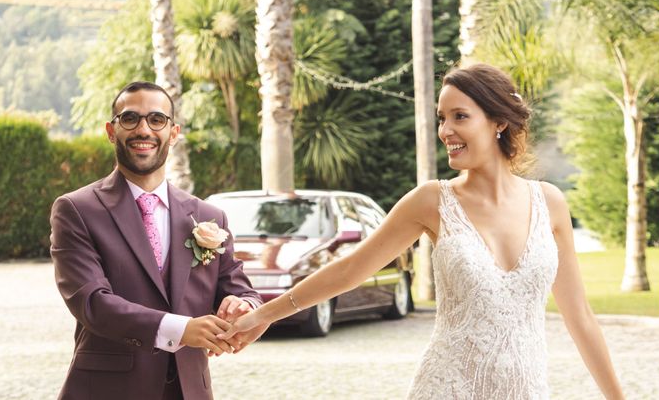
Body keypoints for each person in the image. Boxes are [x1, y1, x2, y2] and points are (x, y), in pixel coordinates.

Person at [221, 64, 625, 399]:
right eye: (441, 119)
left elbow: (580, 318)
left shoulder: (550, 203)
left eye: (459, 116)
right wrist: (266, 315)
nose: (446, 131)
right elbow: (352, 269)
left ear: (499, 121)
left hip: (527, 389)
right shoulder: (432, 201)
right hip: (447, 387)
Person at [50, 81, 261, 400]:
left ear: (173, 133)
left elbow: (239, 288)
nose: (143, 129)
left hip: (189, 391)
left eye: (156, 119)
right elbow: (91, 302)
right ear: (111, 130)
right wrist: (181, 329)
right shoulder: (76, 210)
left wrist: (243, 305)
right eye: (130, 118)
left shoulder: (209, 216)